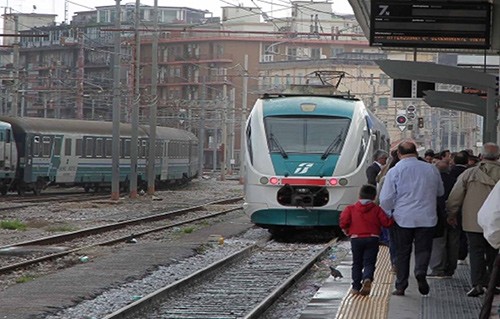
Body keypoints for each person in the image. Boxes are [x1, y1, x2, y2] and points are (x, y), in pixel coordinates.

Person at [379, 141, 444, 296]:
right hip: (427, 217)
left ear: (399, 154)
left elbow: (386, 199)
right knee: (423, 249)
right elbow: (440, 192)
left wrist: (389, 213)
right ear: (416, 152)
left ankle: (401, 286)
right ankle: (421, 271)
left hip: (403, 218)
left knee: (402, 252)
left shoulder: (395, 171)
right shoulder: (431, 169)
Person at [447, 142, 500, 297]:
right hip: (497, 222)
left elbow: (455, 196)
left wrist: (451, 214)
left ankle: (477, 284)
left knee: (475, 252)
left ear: (481, 156)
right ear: (498, 157)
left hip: (473, 221)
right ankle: (494, 283)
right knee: (494, 251)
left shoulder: (469, 174)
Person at [339, 184, 394, 296]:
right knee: (369, 262)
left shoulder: (350, 209)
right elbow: (386, 223)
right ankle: (367, 278)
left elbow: (343, 222)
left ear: (359, 196)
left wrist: (347, 229)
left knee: (357, 263)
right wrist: (393, 217)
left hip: (356, 239)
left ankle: (355, 287)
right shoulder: (377, 209)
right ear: (374, 197)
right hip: (373, 238)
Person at [428, 160, 456, 277]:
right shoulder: (454, 180)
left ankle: (438, 268)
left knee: (438, 243)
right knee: (454, 242)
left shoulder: (433, 181)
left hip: (438, 214)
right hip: (455, 214)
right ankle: (451, 268)